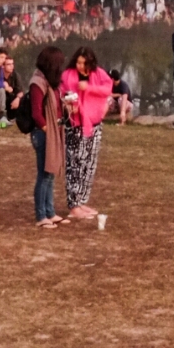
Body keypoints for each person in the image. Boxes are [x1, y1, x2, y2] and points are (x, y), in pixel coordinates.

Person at [59, 45, 113, 221]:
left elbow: (107, 89)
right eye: (78, 62)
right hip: (77, 125)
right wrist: (71, 105)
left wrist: (89, 87)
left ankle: (82, 200)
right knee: (75, 164)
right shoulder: (68, 75)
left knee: (89, 164)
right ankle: (73, 204)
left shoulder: (98, 74)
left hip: (94, 124)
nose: (80, 66)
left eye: (84, 63)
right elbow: (64, 94)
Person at [25, 46, 69, 228]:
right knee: (44, 175)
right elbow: (36, 113)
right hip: (43, 134)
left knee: (50, 174)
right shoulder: (38, 83)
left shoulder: (50, 81)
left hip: (54, 130)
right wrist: (47, 130)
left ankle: (50, 211)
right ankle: (41, 215)